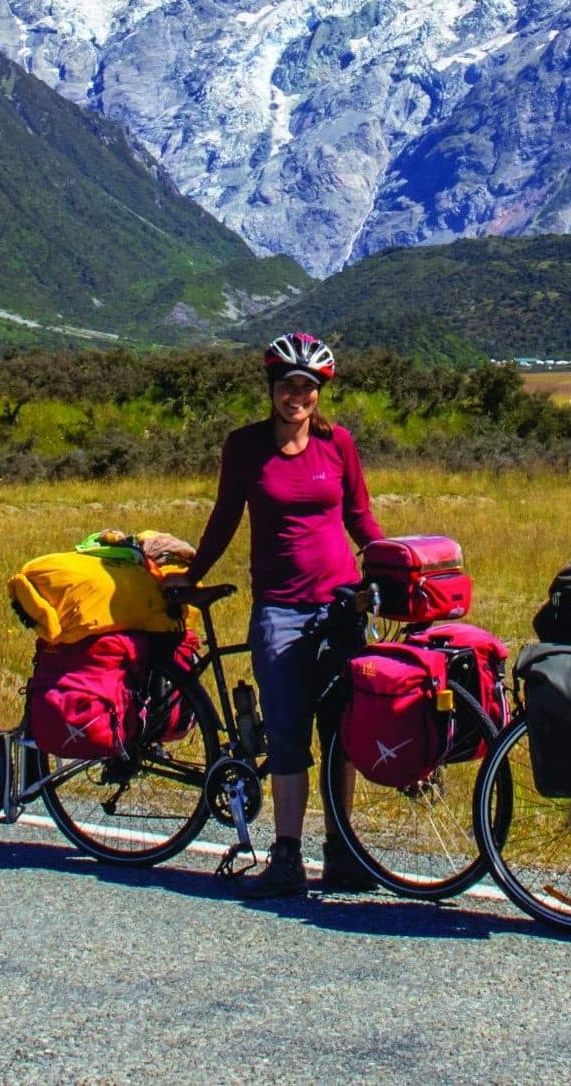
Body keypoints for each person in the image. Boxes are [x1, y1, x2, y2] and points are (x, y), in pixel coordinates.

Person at [178, 333, 383, 899]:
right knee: (289, 734)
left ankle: (341, 852)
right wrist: (192, 576)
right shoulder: (244, 447)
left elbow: (361, 518)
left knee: (341, 731)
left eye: (307, 388)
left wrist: (391, 565)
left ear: (319, 394)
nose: (297, 396)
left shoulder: (338, 444)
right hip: (280, 610)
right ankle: (287, 857)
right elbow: (224, 518)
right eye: (288, 386)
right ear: (271, 389)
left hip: (340, 606)